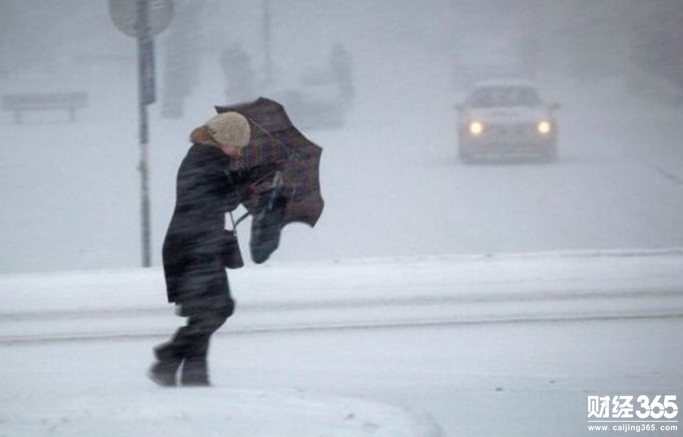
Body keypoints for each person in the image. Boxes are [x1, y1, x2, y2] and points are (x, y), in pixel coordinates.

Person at [149, 111, 254, 387]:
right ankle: (169, 356)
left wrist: (239, 179)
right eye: (237, 144)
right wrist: (244, 183)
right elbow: (222, 200)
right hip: (194, 247)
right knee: (217, 309)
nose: (239, 150)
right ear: (223, 139)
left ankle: (194, 377)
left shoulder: (204, 159)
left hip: (193, 244)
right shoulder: (206, 161)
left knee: (205, 312)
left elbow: (219, 197)